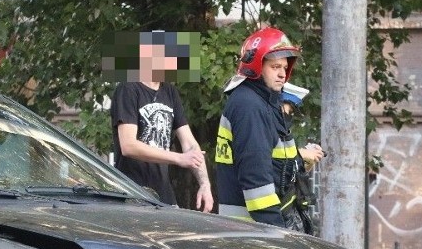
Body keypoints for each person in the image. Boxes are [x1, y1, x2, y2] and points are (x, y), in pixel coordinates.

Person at [215, 26, 310, 228]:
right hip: (251, 233)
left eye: (285, 68)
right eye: (275, 67)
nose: (282, 74)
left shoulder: (265, 102)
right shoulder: (249, 106)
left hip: (257, 231)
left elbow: (280, 166)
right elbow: (257, 183)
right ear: (256, 67)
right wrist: (280, 238)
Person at [111, 31, 213, 212]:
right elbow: (128, 146)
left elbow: (190, 144)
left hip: (164, 195)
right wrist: (179, 158)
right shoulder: (128, 88)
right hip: (133, 194)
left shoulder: (170, 92)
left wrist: (205, 184)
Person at [279, 82, 324, 234]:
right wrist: (302, 154)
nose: (288, 115)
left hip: (287, 216)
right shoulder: (264, 125)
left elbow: (290, 172)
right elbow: (272, 162)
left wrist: (306, 161)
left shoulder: (284, 131)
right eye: (288, 110)